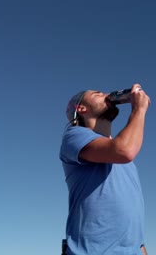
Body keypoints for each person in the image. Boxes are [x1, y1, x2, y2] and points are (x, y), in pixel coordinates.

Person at [59, 83, 150, 255]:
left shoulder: (126, 163)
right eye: (97, 93)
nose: (106, 94)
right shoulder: (74, 136)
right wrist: (139, 109)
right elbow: (124, 150)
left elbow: (134, 225)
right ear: (81, 108)